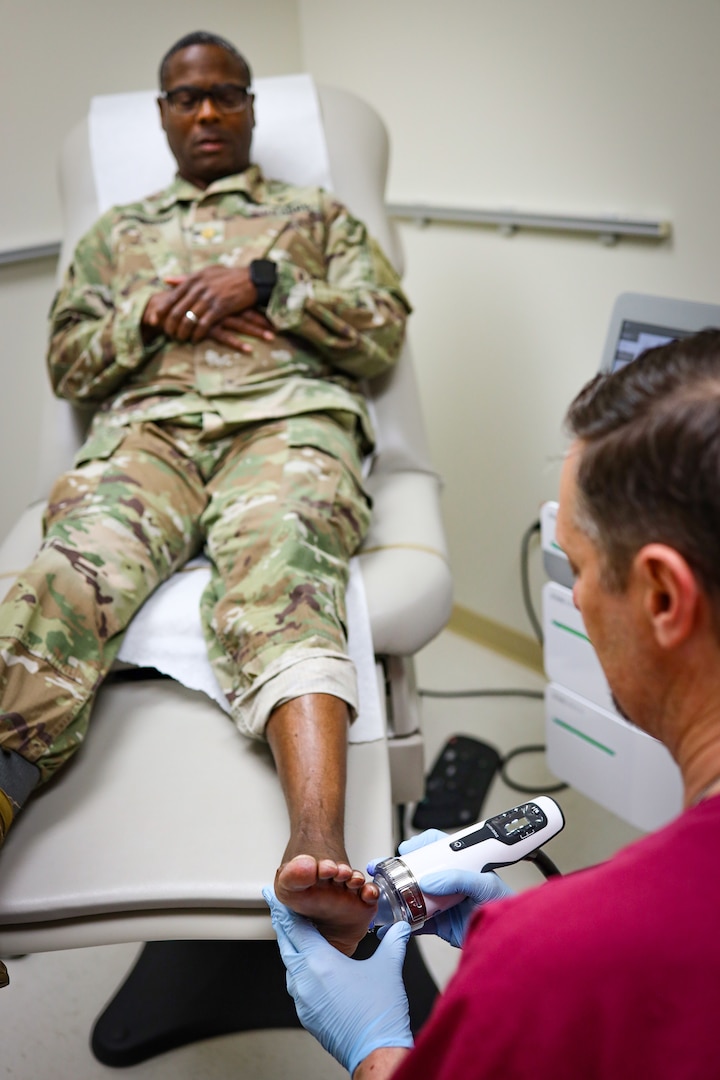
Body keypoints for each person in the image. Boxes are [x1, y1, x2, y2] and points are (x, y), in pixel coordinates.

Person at [0, 29, 410, 964]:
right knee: (67, 573)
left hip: (287, 426)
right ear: (163, 116)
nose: (209, 112)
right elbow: (66, 364)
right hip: (149, 435)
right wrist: (145, 309)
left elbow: (380, 335)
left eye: (227, 94)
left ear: (253, 107)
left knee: (288, 560)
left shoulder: (314, 216)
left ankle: (317, 847)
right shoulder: (118, 235)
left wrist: (270, 285)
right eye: (189, 99)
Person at [266, 327, 720, 1078]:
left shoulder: (544, 970)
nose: (573, 597)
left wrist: (377, 1050)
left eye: (577, 565)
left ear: (664, 595)